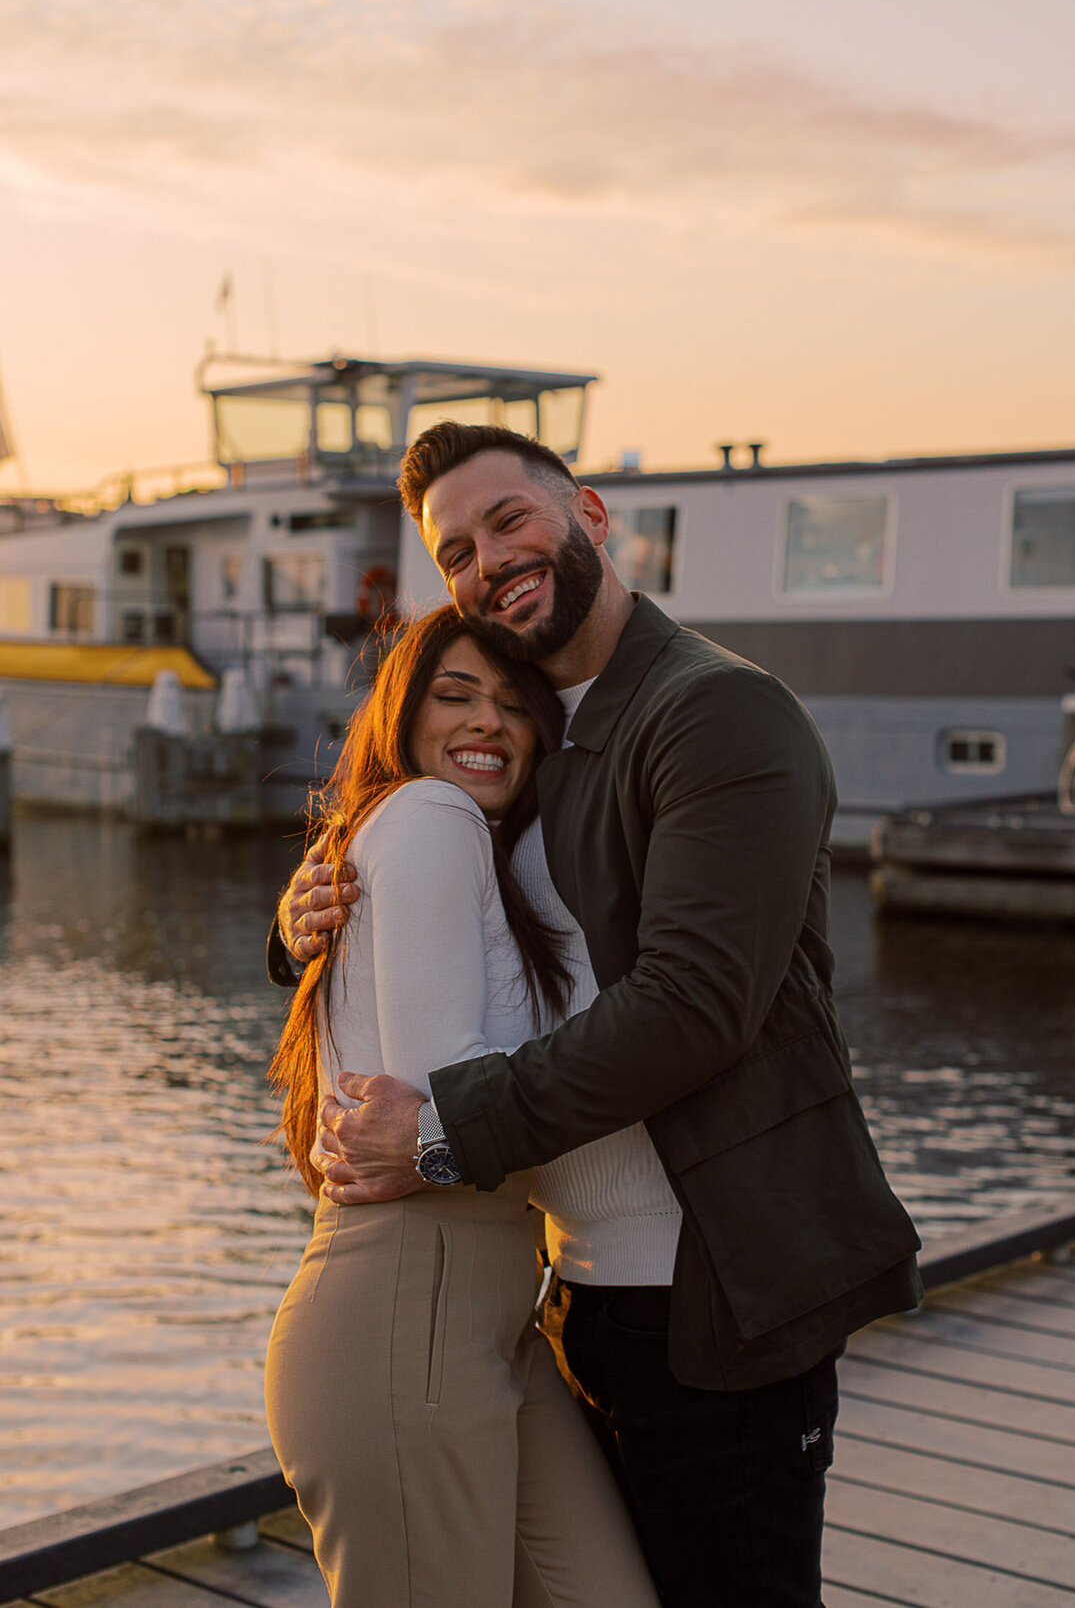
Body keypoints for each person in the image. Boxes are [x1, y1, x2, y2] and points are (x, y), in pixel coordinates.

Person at [274, 422, 923, 1608]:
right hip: (575, 1297)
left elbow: (693, 1006)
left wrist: (439, 1133)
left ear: (588, 513)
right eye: (454, 550)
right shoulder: (530, 751)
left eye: (509, 520)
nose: (488, 561)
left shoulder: (718, 716)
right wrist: (304, 918)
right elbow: (469, 933)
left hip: (710, 1292)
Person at [264, 603, 659, 1608]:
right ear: (404, 714)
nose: (487, 722)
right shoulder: (434, 817)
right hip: (403, 1307)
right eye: (456, 696)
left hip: (493, 1322)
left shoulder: (489, 853)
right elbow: (444, 1092)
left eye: (513, 705)